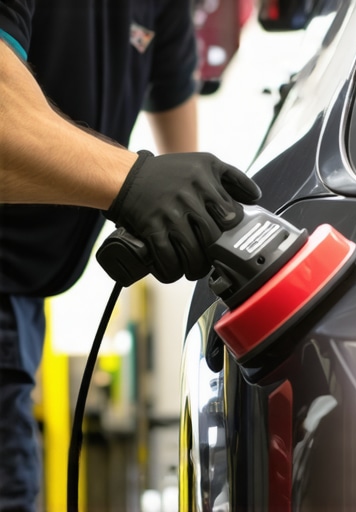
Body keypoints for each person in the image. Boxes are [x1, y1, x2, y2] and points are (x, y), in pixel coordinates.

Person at [0, 2, 261, 511]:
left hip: (25, 293)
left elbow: (184, 159)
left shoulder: (161, 8)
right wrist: (134, 184)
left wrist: (203, 226)